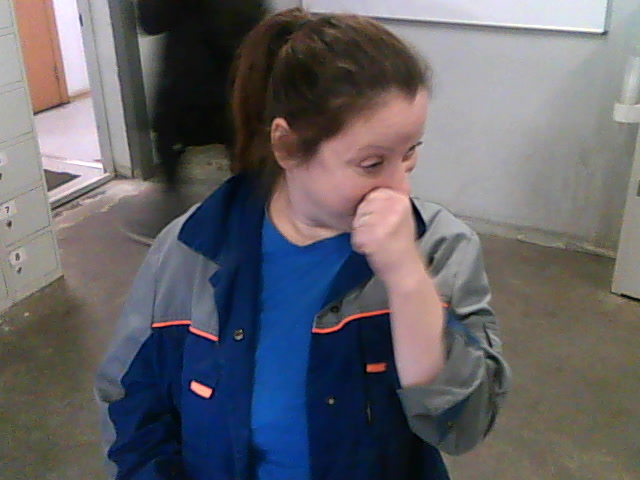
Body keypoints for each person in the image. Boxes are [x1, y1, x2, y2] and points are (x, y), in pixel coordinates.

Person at [96, 7, 511, 480]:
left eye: (410, 154)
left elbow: (464, 425)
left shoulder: (438, 246)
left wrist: (409, 283)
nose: (400, 189)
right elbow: (131, 402)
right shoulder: (190, 251)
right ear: (288, 146)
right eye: (372, 163)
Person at [123, 0, 267, 244]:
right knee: (169, 139)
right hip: (187, 78)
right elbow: (150, 21)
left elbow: (248, 19)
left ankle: (254, 215)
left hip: (226, 74)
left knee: (243, 149)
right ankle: (173, 208)